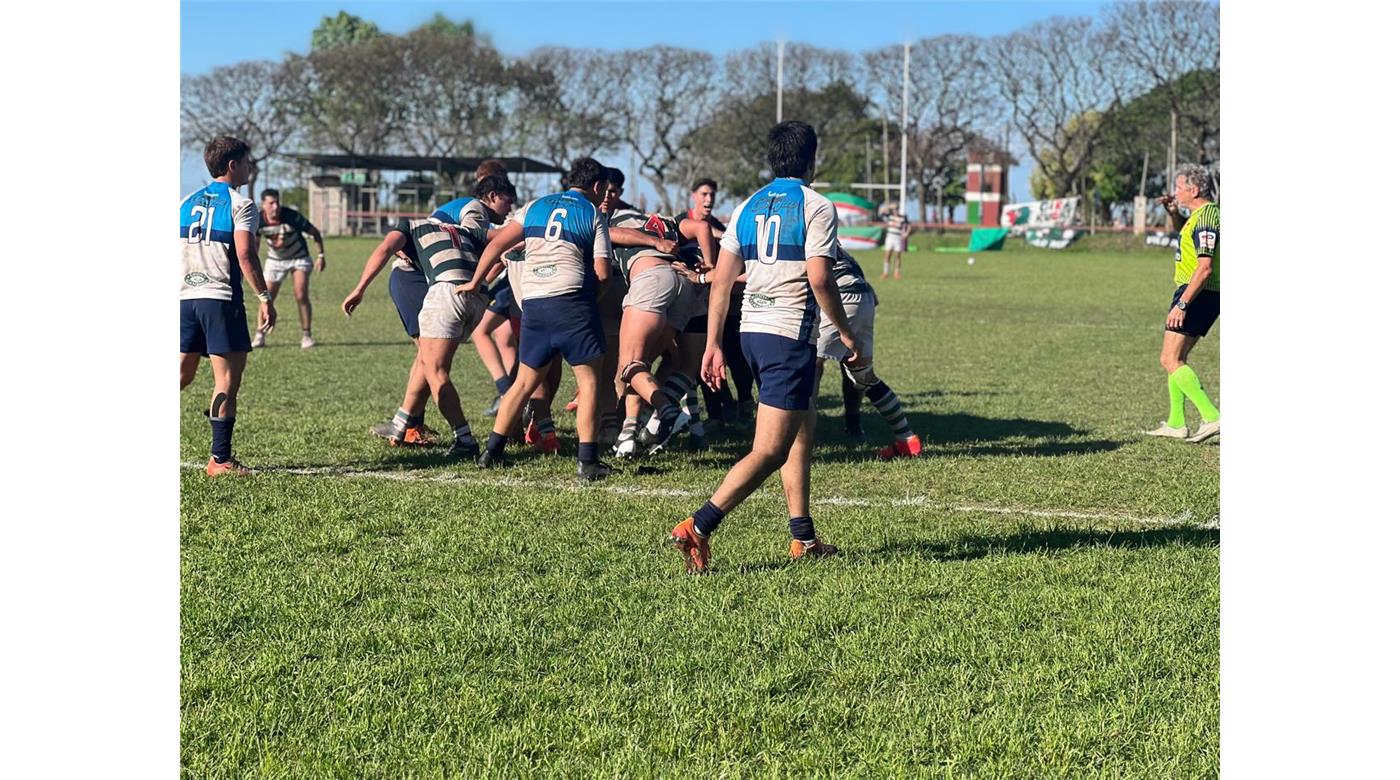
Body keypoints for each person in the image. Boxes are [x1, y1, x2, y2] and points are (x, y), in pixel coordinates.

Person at [669, 121, 860, 573]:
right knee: (771, 449)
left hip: (751, 332)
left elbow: (720, 280)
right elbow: (819, 277)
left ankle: (804, 538)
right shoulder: (816, 206)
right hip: (787, 334)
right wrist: (846, 332)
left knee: (803, 424)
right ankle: (698, 525)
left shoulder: (747, 205)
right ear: (811, 159)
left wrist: (714, 342)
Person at [462, 158, 617, 481]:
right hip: (572, 302)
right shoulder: (592, 213)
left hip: (533, 304)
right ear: (598, 187)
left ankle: (491, 451)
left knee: (523, 382)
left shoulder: (534, 206)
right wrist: (589, 302)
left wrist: (476, 282)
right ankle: (588, 462)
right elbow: (603, 273)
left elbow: (498, 244)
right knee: (589, 383)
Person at [343, 175, 517, 457]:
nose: (510, 207)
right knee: (427, 359)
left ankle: (464, 439)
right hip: (476, 298)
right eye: (509, 200)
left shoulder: (412, 225)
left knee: (434, 369)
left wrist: (360, 288)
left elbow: (386, 248)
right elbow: (497, 248)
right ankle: (402, 423)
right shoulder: (467, 229)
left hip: (446, 292)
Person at [179, 137, 276, 476]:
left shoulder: (183, 202)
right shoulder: (241, 204)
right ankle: (220, 460)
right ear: (232, 165)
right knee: (226, 381)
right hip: (220, 300)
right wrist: (265, 297)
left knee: (181, 374)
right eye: (248, 161)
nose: (252, 167)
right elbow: (246, 255)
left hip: (185, 299)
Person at [819, 245, 923, 459]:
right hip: (863, 297)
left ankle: (800, 440)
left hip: (842, 296)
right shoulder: (840, 249)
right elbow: (874, 297)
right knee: (863, 376)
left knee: (809, 365)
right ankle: (906, 439)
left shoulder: (803, 237)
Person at [1145, 164, 1220, 443]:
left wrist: (1183, 304)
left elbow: (1205, 268)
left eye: (1179, 187)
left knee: (1169, 359)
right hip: (1202, 293)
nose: (1175, 192)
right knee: (1177, 359)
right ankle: (1177, 422)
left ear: (1194, 189)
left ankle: (1212, 416)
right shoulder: (1202, 215)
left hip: (1198, 292)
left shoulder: (1206, 219)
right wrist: (1174, 213)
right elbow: (1184, 234)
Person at [252, 188, 326, 349]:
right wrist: (252, 264)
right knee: (266, 297)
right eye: (271, 203)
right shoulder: (258, 220)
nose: (275, 206)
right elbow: (254, 245)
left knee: (301, 295)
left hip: (299, 258)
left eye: (277, 202)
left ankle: (306, 335)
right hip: (275, 260)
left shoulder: (291, 216)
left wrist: (321, 256)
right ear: (263, 204)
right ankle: (260, 335)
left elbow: (315, 233)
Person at [881, 203, 909, 280]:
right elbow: (881, 211)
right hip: (890, 238)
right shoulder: (889, 216)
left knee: (898, 256)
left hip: (898, 238)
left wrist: (906, 233)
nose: (895, 211)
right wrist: (889, 206)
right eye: (894, 209)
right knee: (887, 255)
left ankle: (897, 273)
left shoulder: (903, 218)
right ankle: (885, 272)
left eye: (896, 209)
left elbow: (908, 226)